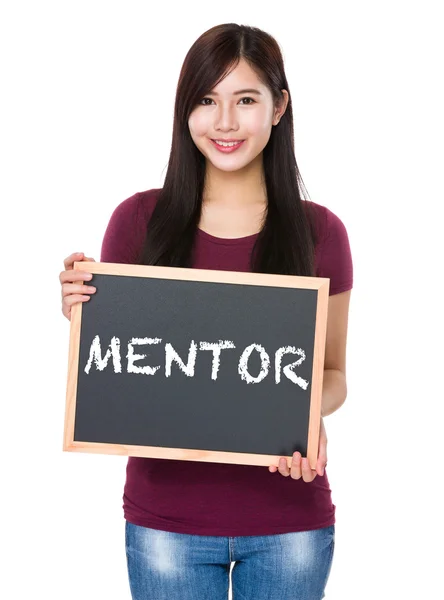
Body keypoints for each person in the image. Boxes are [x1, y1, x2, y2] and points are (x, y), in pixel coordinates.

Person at [59, 23, 353, 600]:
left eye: (245, 100)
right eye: (206, 100)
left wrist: (297, 416)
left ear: (278, 108)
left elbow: (335, 374)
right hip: (166, 518)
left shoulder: (321, 232)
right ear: (184, 109)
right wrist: (86, 316)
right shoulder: (136, 222)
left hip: (288, 517)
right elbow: (124, 367)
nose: (224, 122)